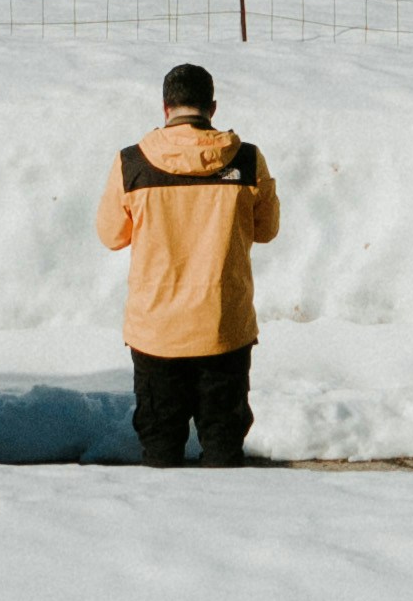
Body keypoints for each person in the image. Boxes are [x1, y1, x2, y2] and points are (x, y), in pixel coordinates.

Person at [94, 59, 280, 467]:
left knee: (160, 453)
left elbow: (111, 236)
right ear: (212, 108)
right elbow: (266, 230)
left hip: (156, 332)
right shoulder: (246, 160)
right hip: (223, 329)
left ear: (165, 108)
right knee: (224, 453)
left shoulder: (132, 163)